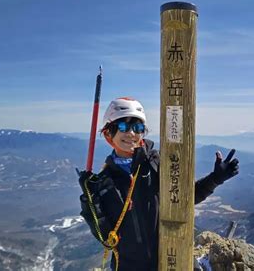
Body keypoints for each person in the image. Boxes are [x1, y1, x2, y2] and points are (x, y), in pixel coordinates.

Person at [80, 97, 240, 271]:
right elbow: (106, 238)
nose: (132, 133)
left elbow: (183, 199)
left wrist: (215, 178)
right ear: (109, 132)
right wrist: (89, 202)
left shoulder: (156, 164)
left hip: (167, 263)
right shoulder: (103, 183)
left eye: (138, 127)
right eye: (124, 126)